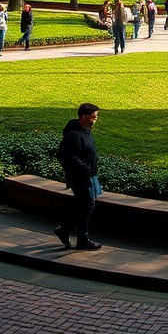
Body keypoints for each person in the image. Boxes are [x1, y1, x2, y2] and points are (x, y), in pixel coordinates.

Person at [54, 103, 102, 251]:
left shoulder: (85, 132)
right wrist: (85, 169)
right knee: (87, 204)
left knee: (86, 205)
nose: (95, 120)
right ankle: (82, 239)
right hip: (80, 177)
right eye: (94, 117)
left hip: (89, 175)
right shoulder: (74, 135)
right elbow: (66, 156)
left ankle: (65, 230)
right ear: (84, 117)